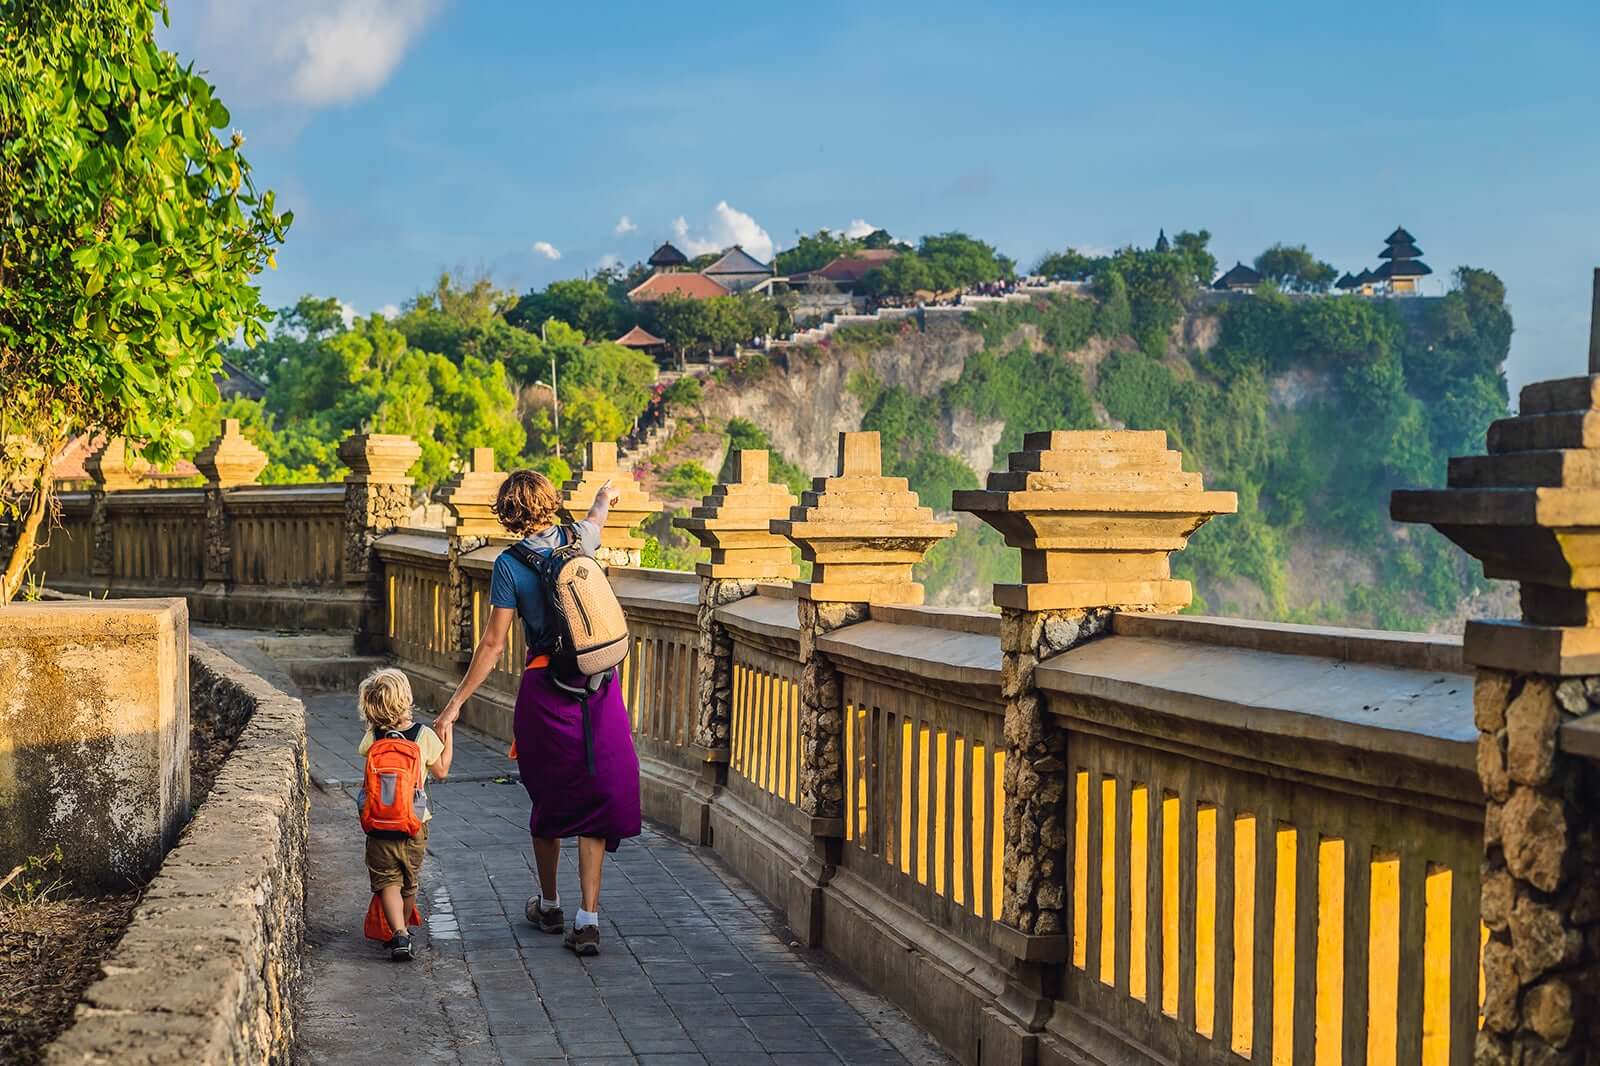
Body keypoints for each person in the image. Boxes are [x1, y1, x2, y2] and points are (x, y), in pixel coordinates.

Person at [433, 470, 641, 957]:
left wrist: (454, 705)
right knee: (595, 797)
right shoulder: (579, 539)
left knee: (548, 798)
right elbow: (596, 517)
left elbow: (493, 643)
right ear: (550, 503)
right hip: (597, 684)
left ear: (507, 514)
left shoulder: (508, 565)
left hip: (546, 690)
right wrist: (604, 496)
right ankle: (587, 918)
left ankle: (549, 905)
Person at [357, 667, 452, 961]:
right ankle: (405, 930)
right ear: (406, 699)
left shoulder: (372, 737)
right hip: (414, 822)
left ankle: (398, 933)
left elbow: (365, 755)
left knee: (388, 881)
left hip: (378, 822)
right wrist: (447, 738)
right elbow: (441, 771)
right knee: (408, 882)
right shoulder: (423, 735)